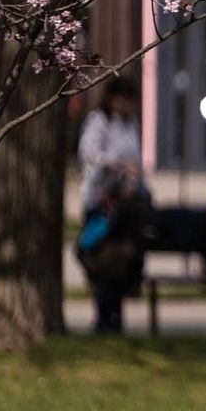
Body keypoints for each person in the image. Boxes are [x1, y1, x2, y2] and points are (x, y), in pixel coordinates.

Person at [77, 80, 146, 333]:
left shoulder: (131, 124)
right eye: (123, 99)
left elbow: (136, 159)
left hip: (124, 204)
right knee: (100, 259)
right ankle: (104, 316)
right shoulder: (99, 121)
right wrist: (116, 165)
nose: (127, 105)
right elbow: (89, 153)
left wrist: (133, 178)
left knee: (120, 261)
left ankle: (114, 315)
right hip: (99, 203)